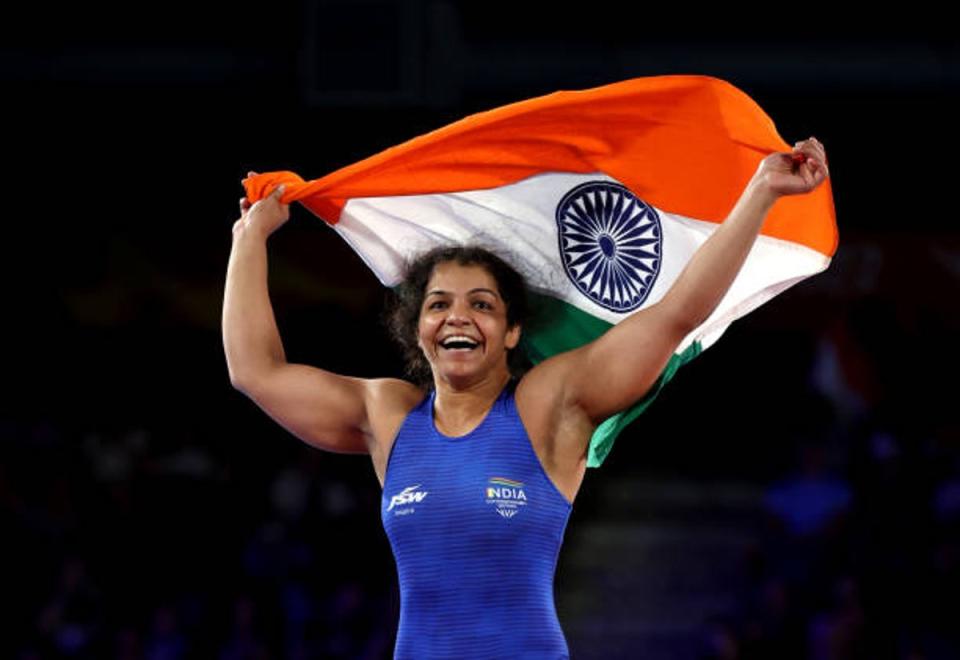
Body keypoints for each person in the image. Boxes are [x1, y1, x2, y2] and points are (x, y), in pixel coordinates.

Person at [222, 138, 829, 659]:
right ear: (417, 330)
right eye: (440, 304)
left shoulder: (546, 407)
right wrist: (250, 239)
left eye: (481, 304)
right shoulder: (388, 416)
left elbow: (671, 318)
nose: (459, 317)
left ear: (512, 332)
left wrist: (760, 194)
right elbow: (256, 371)